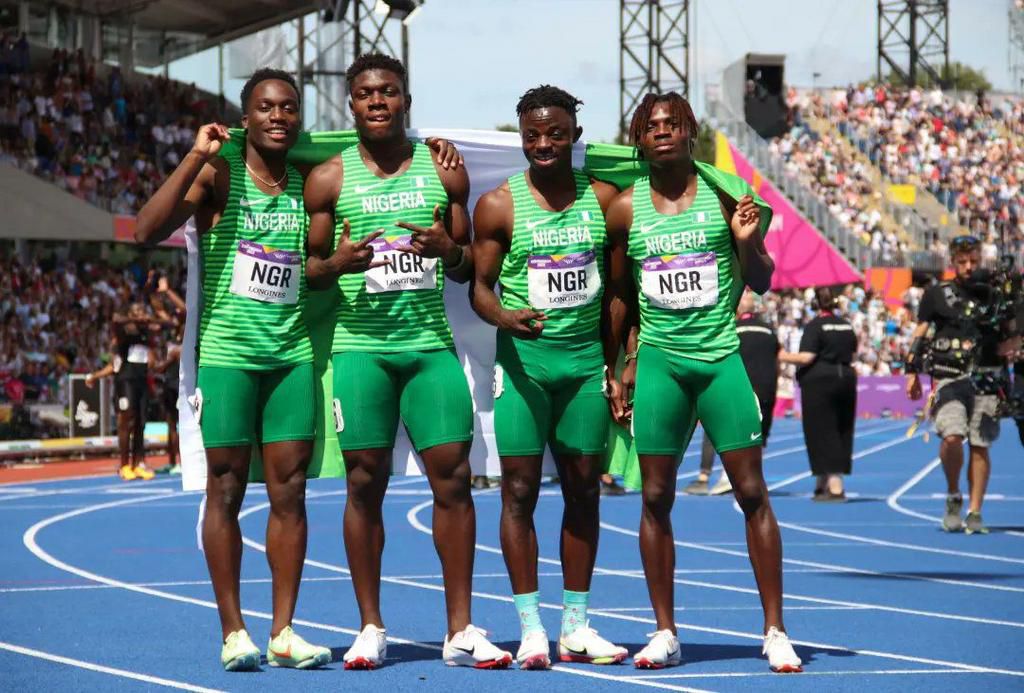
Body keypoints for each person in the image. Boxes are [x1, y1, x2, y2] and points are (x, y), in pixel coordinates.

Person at [303, 53, 511, 670]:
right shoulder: (328, 179)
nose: (377, 101)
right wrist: (338, 264)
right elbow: (308, 273)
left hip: (429, 351)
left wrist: (449, 249)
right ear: (351, 104)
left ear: (405, 101)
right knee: (363, 483)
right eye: (366, 93)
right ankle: (370, 627)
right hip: (361, 351)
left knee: (455, 481)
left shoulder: (442, 169)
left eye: (388, 92)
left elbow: (468, 268)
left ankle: (460, 629)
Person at [134, 68, 332, 672]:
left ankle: (284, 631)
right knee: (224, 488)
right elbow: (144, 231)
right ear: (247, 117)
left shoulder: (308, 181)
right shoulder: (218, 174)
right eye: (266, 107)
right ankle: (233, 632)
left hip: (291, 358)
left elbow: (310, 264)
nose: (279, 116)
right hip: (226, 358)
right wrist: (195, 155)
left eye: (289, 107)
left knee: (290, 492)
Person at [604, 92, 802, 672]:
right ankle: (665, 631)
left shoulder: (725, 197)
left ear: (691, 132)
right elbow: (620, 297)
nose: (662, 131)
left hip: (719, 359)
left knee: (752, 493)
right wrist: (619, 366)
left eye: (673, 123)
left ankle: (775, 630)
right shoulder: (625, 209)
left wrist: (745, 242)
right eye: (652, 126)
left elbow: (762, 280)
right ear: (639, 140)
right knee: (655, 496)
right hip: (661, 364)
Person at [471, 85, 628, 669]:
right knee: (518, 492)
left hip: (583, 368)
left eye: (555, 134)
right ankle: (532, 628)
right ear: (521, 138)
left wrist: (613, 364)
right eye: (532, 135)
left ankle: (576, 627)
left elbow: (618, 292)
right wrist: (504, 317)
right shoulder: (498, 205)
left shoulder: (605, 201)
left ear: (575, 137)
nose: (543, 144)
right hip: (524, 370)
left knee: (584, 491)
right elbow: (478, 288)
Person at [906, 236, 1020, 534]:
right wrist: (911, 370)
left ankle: (975, 511)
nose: (968, 267)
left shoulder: (996, 294)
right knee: (952, 437)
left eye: (973, 261)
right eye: (962, 262)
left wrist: (1012, 345)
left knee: (980, 445)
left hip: (988, 376)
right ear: (953, 262)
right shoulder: (937, 294)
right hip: (949, 375)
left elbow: (1014, 332)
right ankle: (953, 494)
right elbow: (921, 331)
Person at [684, 290, 780, 496]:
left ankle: (707, 477)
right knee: (757, 434)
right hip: (767, 387)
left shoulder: (730, 329)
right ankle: (752, 476)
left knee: (713, 428)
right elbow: (777, 359)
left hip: (740, 386)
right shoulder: (769, 330)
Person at [780, 287, 857, 501]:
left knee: (821, 431)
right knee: (842, 428)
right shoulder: (846, 325)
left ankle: (835, 485)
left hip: (820, 381)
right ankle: (822, 482)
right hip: (846, 377)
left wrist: (781, 355)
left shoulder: (815, 326)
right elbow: (853, 354)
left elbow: (806, 357)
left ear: (815, 304)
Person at [86, 303, 158, 482]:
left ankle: (138, 463)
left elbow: (164, 325)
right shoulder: (122, 334)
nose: (141, 315)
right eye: (136, 312)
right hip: (125, 382)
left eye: (142, 311)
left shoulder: (145, 335)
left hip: (142, 382)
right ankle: (124, 465)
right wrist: (95, 376)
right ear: (130, 316)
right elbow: (116, 321)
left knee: (140, 423)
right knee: (126, 421)